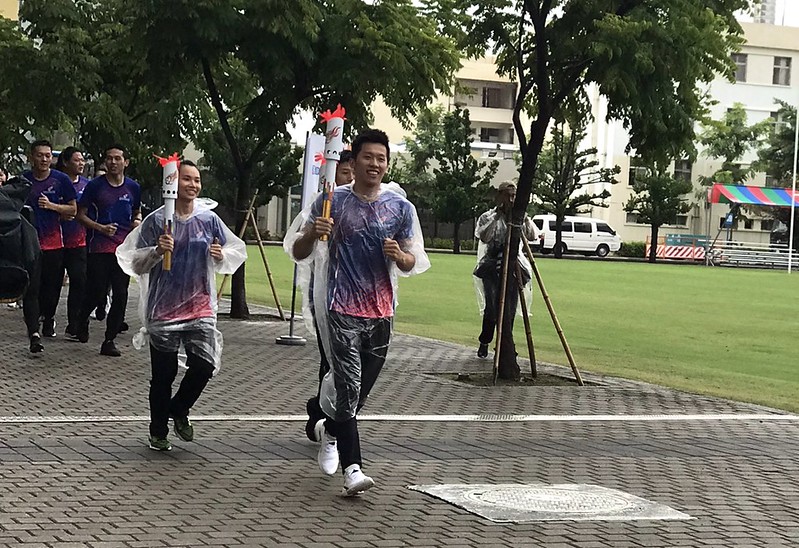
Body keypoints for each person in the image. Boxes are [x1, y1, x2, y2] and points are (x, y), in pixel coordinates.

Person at [286, 129, 429, 496]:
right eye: (368, 157)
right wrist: (311, 233)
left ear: (386, 164)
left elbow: (415, 260)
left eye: (381, 158)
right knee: (348, 386)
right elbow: (300, 252)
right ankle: (353, 469)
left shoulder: (400, 208)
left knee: (360, 391)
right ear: (355, 161)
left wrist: (400, 256)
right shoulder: (331, 200)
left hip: (381, 312)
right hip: (340, 306)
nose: (375, 164)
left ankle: (329, 430)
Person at [116, 160, 246, 451]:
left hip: (200, 305)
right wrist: (156, 251)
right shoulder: (157, 220)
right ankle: (158, 430)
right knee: (163, 375)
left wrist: (219, 254)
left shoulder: (209, 220)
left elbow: (234, 251)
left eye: (197, 180)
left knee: (205, 365)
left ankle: (179, 408)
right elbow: (132, 261)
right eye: (187, 179)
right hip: (164, 308)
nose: (193, 185)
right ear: (173, 183)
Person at [303, 149, 355, 441]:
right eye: (344, 173)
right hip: (329, 298)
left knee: (351, 367)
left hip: (362, 305)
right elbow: (301, 250)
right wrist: (315, 231)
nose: (349, 178)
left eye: (351, 172)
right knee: (333, 361)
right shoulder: (323, 206)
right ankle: (326, 419)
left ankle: (322, 411)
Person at [75, 144, 141, 356]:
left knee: (121, 294)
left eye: (117, 158)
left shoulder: (133, 187)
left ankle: (109, 339)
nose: (113, 162)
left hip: (123, 249)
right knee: (97, 292)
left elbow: (136, 212)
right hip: (99, 247)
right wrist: (100, 227)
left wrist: (137, 221)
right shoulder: (95, 186)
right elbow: (80, 214)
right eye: (109, 158)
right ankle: (82, 317)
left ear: (126, 162)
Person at [473, 181, 538, 358]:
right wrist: (498, 216)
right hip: (492, 266)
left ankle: (504, 346)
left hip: (514, 266)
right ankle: (485, 340)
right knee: (492, 309)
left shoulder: (519, 218)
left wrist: (523, 218)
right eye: (508, 195)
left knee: (510, 309)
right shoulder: (488, 216)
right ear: (499, 196)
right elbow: (484, 236)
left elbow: (533, 236)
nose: (511, 200)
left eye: (514, 196)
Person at [22, 140, 77, 341]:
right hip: (29, 244)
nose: (44, 159)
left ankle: (49, 317)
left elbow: (73, 209)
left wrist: (53, 206)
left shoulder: (61, 180)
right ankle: (34, 328)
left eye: (48, 155)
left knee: (52, 287)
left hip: (54, 243)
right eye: (40, 155)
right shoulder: (23, 180)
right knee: (32, 287)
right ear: (31, 157)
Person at [54, 147, 89, 339]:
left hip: (78, 241)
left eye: (82, 160)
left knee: (79, 281)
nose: (81, 163)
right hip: (56, 240)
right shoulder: (56, 181)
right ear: (66, 162)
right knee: (52, 283)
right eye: (77, 160)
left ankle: (74, 323)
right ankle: (47, 315)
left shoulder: (87, 185)